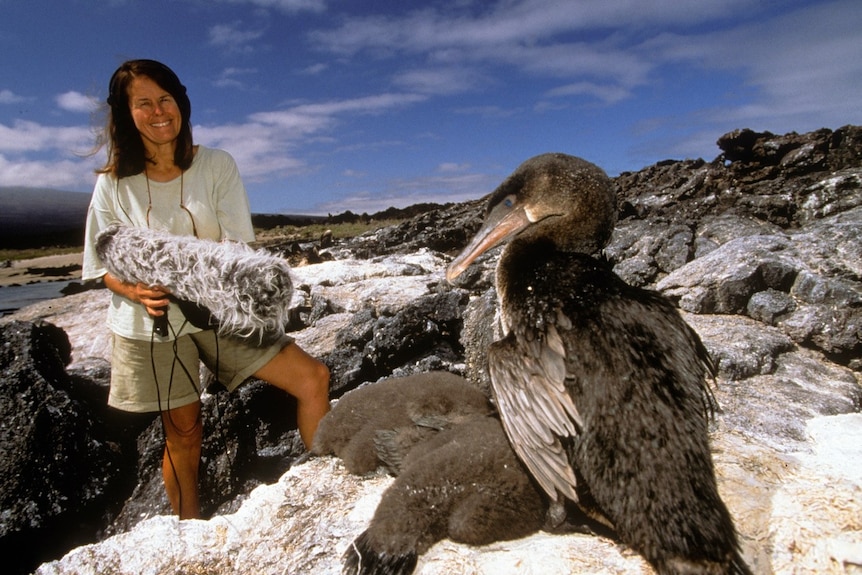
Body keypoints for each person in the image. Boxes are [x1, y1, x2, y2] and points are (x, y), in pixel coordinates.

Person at [82, 59, 331, 520]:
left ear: (181, 104)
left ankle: (330, 489)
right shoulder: (113, 184)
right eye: (144, 103)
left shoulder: (216, 165)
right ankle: (189, 532)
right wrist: (137, 292)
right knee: (184, 433)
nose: (159, 112)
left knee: (312, 378)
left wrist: (223, 281)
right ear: (125, 113)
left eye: (166, 100)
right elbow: (100, 266)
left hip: (221, 309)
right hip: (150, 323)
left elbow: (239, 246)